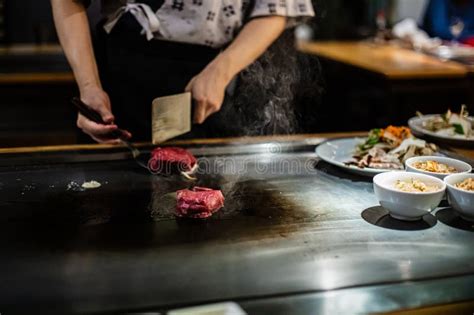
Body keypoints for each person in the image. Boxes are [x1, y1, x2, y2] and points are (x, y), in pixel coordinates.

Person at [50, 0, 316, 143]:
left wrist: (220, 72)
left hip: (210, 79)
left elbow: (275, 9)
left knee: (205, 199)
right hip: (121, 73)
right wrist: (89, 87)